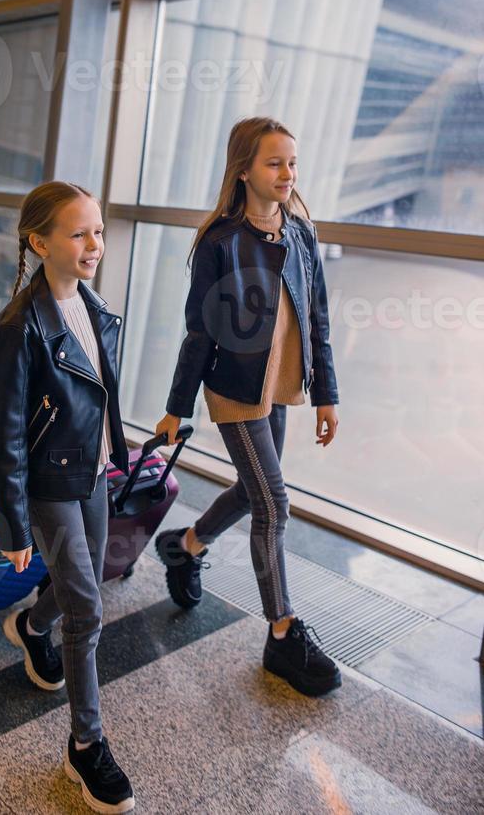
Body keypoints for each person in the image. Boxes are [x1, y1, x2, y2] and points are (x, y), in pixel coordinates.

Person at [154, 116, 342, 697]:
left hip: (282, 383)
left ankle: (184, 548)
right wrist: (176, 407)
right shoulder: (220, 241)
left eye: (292, 162)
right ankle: (282, 632)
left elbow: (317, 318)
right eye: (274, 163)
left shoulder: (301, 235)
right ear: (244, 170)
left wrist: (326, 393)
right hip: (235, 389)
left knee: (252, 488)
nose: (287, 174)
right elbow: (199, 334)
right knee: (273, 503)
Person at [0, 181, 135, 813]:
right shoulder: (19, 328)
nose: (94, 243)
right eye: (78, 233)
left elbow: (96, 397)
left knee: (87, 581)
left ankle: (30, 624)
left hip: (89, 473)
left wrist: (115, 454)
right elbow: (8, 435)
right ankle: (85, 745)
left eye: (97, 230)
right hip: (46, 484)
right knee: (89, 610)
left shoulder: (94, 310)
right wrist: (13, 526)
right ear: (40, 242)